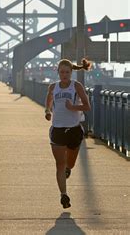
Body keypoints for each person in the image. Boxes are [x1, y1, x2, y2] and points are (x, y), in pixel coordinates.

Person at [45, 58, 91, 209]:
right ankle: (63, 195)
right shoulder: (53, 87)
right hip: (57, 130)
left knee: (69, 163)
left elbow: (87, 106)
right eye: (61, 72)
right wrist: (47, 111)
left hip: (74, 130)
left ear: (71, 73)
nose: (64, 75)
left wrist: (73, 107)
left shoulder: (76, 86)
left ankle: (68, 169)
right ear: (58, 72)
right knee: (59, 164)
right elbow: (49, 100)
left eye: (67, 72)